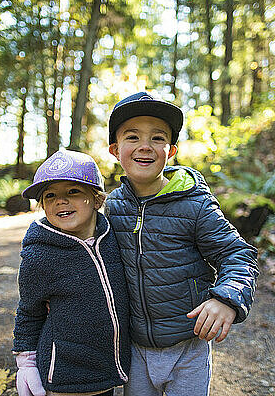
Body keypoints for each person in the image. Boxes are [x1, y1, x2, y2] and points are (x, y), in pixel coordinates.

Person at [105, 91, 259, 396]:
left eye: (158, 138)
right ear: (115, 149)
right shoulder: (112, 207)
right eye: (132, 137)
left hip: (188, 347)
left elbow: (238, 254)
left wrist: (227, 299)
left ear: (171, 150)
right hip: (134, 348)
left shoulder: (195, 205)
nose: (145, 146)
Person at [13, 150, 130, 396]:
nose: (60, 201)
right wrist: (26, 362)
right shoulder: (39, 256)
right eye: (50, 195)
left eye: (73, 191)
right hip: (66, 375)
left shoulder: (113, 237)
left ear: (97, 199)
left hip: (107, 370)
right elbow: (28, 310)